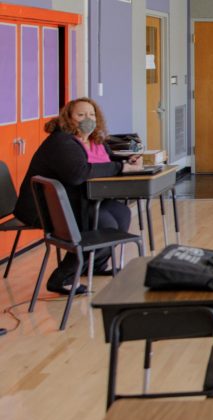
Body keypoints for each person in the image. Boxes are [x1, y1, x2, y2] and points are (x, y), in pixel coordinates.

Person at [15, 97, 144, 294]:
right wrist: (121, 167)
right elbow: (78, 173)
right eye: (81, 115)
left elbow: (105, 160)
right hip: (45, 208)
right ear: (68, 118)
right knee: (103, 223)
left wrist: (126, 160)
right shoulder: (62, 141)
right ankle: (63, 277)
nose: (88, 119)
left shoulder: (90, 140)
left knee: (122, 214)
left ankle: (96, 265)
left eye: (91, 114)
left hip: (72, 201)